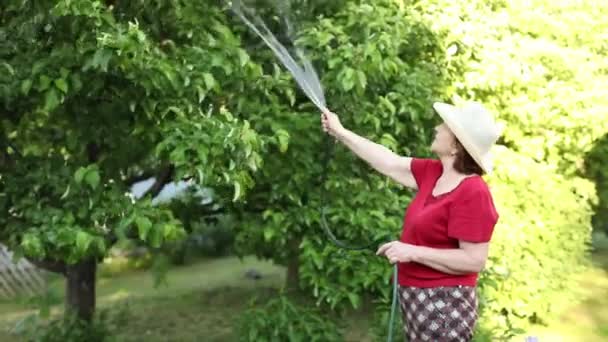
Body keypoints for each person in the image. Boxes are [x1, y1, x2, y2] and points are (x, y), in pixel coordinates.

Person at [321, 101, 501, 342]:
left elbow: (473, 260)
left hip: (445, 306)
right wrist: (340, 131)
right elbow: (389, 161)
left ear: (456, 146)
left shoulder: (473, 192)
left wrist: (412, 252)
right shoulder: (433, 173)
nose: (437, 128)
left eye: (444, 126)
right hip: (416, 298)